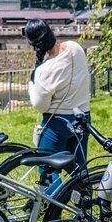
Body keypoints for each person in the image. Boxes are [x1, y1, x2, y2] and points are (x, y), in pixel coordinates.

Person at [25, 18, 90, 191]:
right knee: (79, 170)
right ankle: (84, 209)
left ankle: (54, 207)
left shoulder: (44, 71)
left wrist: (32, 87)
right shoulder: (75, 48)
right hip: (82, 117)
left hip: (57, 123)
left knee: (47, 168)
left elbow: (41, 106)